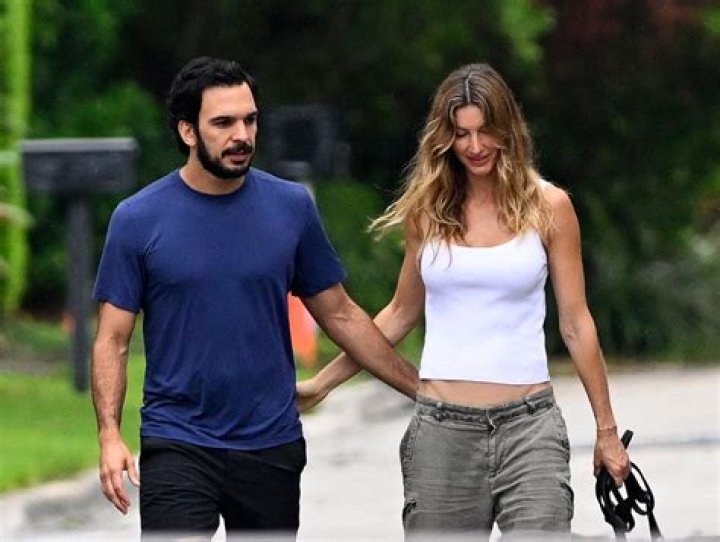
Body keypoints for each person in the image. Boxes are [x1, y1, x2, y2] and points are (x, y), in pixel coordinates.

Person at [297, 63, 631, 538]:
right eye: (461, 134)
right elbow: (399, 314)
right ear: (444, 138)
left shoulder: (550, 207)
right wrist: (322, 384)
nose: (475, 146)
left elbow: (576, 324)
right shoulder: (427, 213)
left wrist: (607, 432)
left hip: (529, 427)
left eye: (485, 131)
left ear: (507, 128)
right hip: (442, 430)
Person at [90, 56, 418, 539]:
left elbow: (342, 315)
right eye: (223, 123)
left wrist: (423, 392)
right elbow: (112, 340)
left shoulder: (291, 207)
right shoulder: (137, 219)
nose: (241, 135)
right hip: (178, 441)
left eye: (250, 120)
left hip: (270, 444)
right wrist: (109, 434)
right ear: (187, 131)